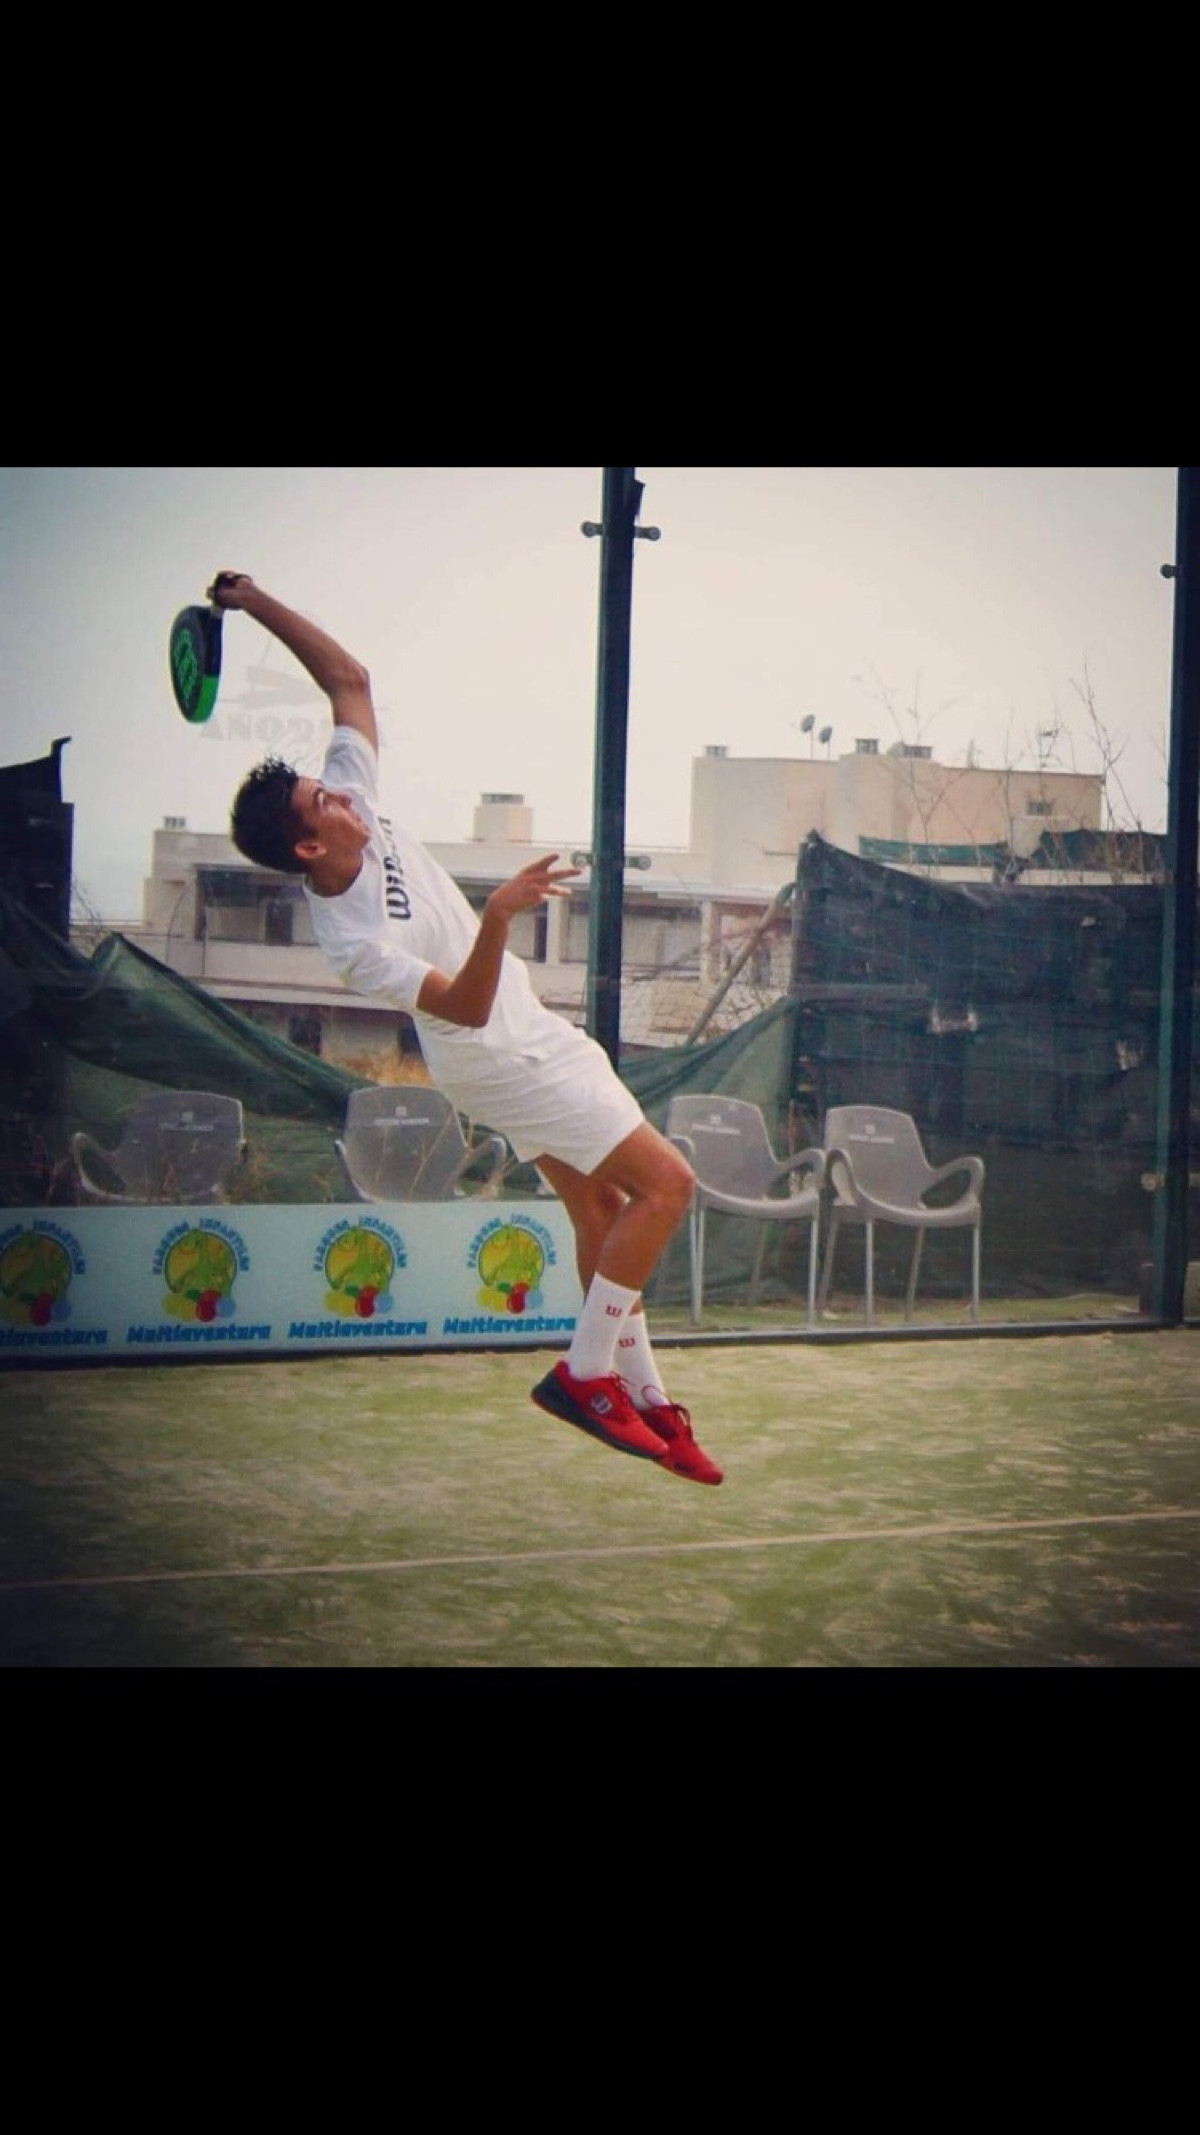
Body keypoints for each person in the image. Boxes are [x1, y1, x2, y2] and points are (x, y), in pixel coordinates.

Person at [218, 572, 723, 1486]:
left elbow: (349, 680)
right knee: (667, 1185)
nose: (344, 798)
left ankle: (646, 1395)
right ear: (308, 848)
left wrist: (254, 602)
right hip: (496, 1051)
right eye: (324, 805)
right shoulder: (350, 941)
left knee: (599, 1206)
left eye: (331, 789)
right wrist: (498, 916)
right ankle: (587, 1373)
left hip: (521, 1032)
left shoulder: (351, 804)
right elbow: (460, 1005)